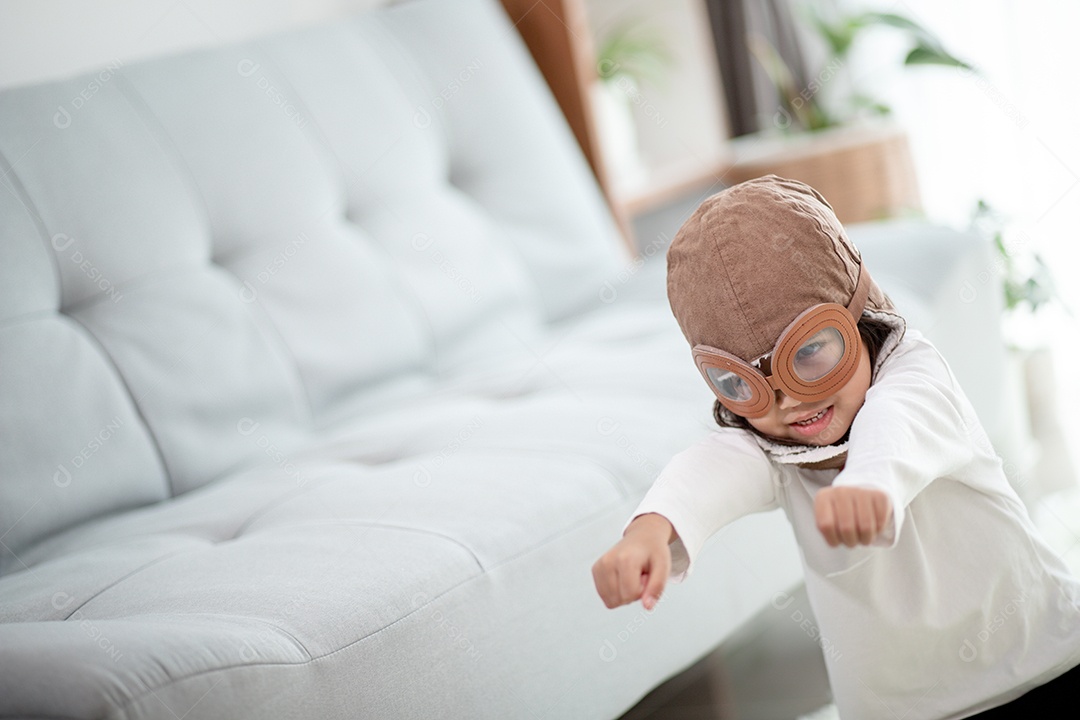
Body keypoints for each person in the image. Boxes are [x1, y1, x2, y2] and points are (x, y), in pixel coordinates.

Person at [591, 175, 1080, 719]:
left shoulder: (917, 376)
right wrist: (652, 529)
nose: (789, 401)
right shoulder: (776, 445)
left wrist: (869, 482)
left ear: (858, 315)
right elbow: (715, 467)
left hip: (1037, 662)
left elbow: (896, 426)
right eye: (742, 383)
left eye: (809, 353)